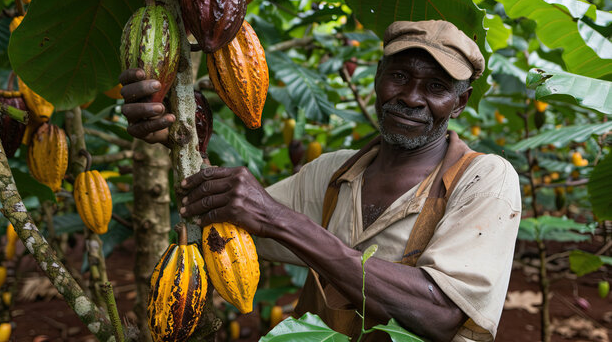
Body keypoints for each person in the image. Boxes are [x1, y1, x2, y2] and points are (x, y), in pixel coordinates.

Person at [119, 20, 521, 342]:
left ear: (461, 101)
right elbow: (224, 228)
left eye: (436, 87)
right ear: (378, 77)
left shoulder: (485, 179)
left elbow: (439, 314)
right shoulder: (332, 173)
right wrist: (178, 128)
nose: (412, 97)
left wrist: (281, 220)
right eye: (399, 76)